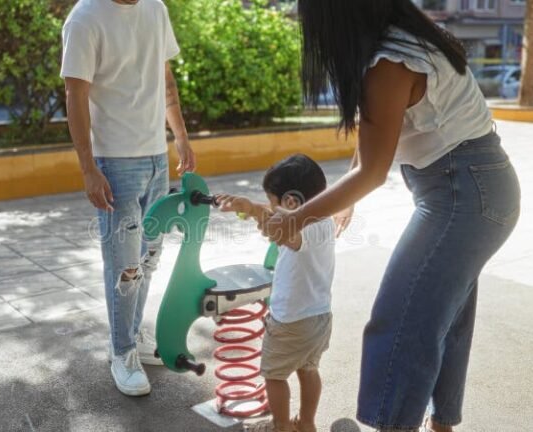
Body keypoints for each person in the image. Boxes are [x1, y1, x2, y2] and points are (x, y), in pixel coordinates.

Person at [262, 1, 521, 431]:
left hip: (462, 195)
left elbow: (372, 172)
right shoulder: (414, 41)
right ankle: (441, 424)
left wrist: (296, 218)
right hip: (482, 188)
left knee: (399, 321)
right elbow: (373, 143)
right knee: (444, 317)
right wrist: (345, 199)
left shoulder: (388, 63)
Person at [60, 0, 196, 397]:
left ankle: (132, 336)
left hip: (155, 157)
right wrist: (88, 167)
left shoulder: (155, 9)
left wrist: (180, 137)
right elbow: (75, 95)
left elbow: (165, 77)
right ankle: (121, 352)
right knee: (124, 268)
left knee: (148, 259)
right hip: (115, 163)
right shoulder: (84, 19)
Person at [216, 154, 335, 432]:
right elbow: (283, 222)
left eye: (272, 201)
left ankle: (281, 426)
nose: (270, 207)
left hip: (290, 320)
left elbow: (287, 235)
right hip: (319, 317)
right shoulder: (324, 218)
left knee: (274, 375)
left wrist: (260, 215)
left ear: (291, 202)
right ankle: (306, 424)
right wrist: (251, 207)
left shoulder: (301, 228)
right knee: (308, 369)